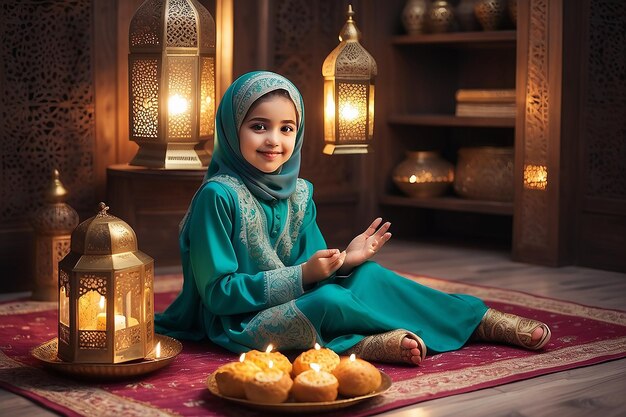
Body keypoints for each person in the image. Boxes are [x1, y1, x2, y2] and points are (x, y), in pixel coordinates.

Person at [155, 71, 551, 365]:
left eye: (286, 128)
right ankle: (364, 344)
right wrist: (305, 276)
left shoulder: (300, 191)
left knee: (370, 276)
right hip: (236, 322)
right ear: (231, 128)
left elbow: (311, 268)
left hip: (295, 297)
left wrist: (346, 259)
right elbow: (220, 294)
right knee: (329, 298)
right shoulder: (217, 196)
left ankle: (478, 319)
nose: (274, 140)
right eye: (258, 126)